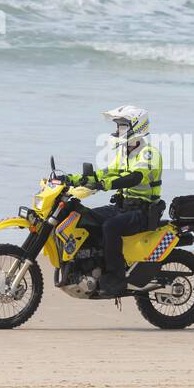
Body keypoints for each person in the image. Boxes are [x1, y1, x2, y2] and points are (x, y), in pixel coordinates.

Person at [65, 105, 163, 295]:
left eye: (122, 126)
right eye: (118, 126)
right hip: (123, 207)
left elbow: (135, 177)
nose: (118, 130)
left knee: (110, 226)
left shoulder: (148, 153)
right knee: (86, 217)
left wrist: (106, 184)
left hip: (142, 210)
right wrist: (74, 179)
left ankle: (116, 278)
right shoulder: (124, 152)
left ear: (136, 127)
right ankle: (92, 265)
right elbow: (106, 173)